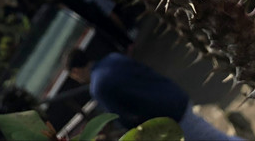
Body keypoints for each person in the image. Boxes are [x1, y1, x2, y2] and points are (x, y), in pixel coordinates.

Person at [67, 50, 245, 141]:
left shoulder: (97, 87)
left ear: (75, 71)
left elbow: (125, 119)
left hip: (169, 120)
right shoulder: (114, 58)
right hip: (175, 98)